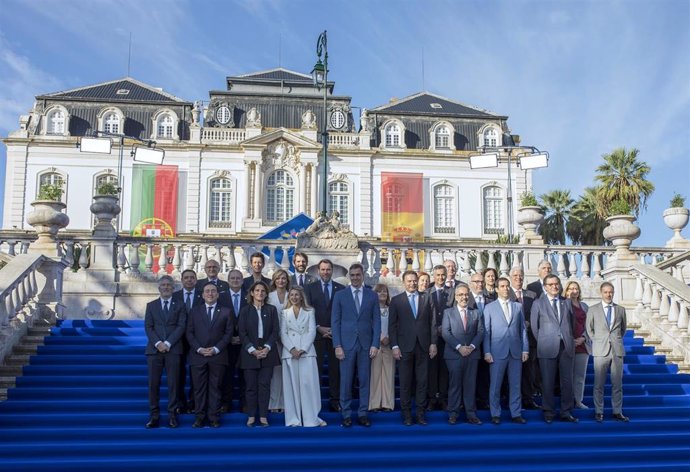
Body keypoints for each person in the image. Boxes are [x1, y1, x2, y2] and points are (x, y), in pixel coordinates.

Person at [331, 263, 381, 427]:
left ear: (363, 275)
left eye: (357, 275)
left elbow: (377, 321)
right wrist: (337, 345)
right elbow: (335, 322)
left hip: (366, 345)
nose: (355, 278)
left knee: (365, 381)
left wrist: (375, 344)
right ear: (349, 277)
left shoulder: (371, 295)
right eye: (352, 275)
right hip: (346, 345)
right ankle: (346, 414)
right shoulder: (340, 295)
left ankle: (363, 413)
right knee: (345, 381)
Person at [389, 270, 437, 426]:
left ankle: (421, 414)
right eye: (409, 281)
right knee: (405, 382)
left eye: (414, 280)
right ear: (404, 282)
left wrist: (433, 343)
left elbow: (433, 323)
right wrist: (394, 346)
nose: (412, 283)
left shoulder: (427, 298)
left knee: (422, 381)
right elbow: (392, 326)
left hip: (423, 346)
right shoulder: (396, 300)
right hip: (404, 347)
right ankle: (407, 415)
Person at [531, 274, 577, 423]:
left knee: (567, 382)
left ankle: (566, 411)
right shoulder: (538, 303)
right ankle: (548, 412)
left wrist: (568, 338)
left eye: (556, 284)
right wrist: (545, 341)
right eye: (550, 284)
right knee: (548, 381)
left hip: (566, 347)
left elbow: (573, 324)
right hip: (547, 347)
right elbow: (534, 327)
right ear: (545, 287)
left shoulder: (567, 303)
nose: (554, 287)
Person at [187, 282, 233, 428]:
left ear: (218, 294)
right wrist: (199, 349)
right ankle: (199, 417)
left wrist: (216, 348)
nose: (210, 294)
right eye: (207, 291)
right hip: (198, 356)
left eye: (213, 291)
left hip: (218, 356)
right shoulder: (194, 311)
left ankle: (214, 417)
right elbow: (189, 332)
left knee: (215, 388)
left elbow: (228, 333)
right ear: (202, 294)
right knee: (198, 388)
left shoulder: (226, 311)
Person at [483, 277, 529, 425]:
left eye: (507, 286)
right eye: (502, 286)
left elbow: (522, 329)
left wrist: (525, 349)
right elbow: (486, 332)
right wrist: (487, 351)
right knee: (495, 384)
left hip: (515, 351)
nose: (505, 288)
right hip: (496, 352)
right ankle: (495, 413)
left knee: (516, 384)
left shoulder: (518, 307)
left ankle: (516, 413)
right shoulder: (489, 308)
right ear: (496, 289)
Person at [279, 287, 326, 427]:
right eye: (291, 295)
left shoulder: (309, 311)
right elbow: (283, 332)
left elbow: (312, 331)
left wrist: (302, 349)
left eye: (296, 295)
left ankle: (311, 418)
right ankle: (294, 419)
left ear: (301, 297)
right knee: (291, 386)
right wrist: (292, 349)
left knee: (308, 385)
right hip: (290, 353)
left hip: (307, 353)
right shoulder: (284, 312)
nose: (294, 297)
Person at [144, 275, 186, 429]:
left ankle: (172, 415)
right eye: (163, 285)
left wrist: (168, 343)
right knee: (153, 384)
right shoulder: (151, 305)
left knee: (173, 383)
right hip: (154, 351)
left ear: (173, 288)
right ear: (159, 288)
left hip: (173, 349)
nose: (166, 287)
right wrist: (158, 343)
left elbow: (181, 326)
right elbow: (148, 327)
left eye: (169, 285)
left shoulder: (180, 305)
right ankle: (154, 416)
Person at [304, 259, 345, 412]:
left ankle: (335, 401)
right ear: (318, 271)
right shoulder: (309, 288)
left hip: (336, 336)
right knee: (316, 370)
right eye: (322, 269)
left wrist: (335, 329)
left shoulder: (341, 288)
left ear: (332, 270)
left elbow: (343, 312)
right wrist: (318, 327)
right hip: (316, 335)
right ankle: (316, 402)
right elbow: (307, 310)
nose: (325, 272)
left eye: (328, 269)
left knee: (335, 371)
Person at [238, 281, 281, 427]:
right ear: (252, 293)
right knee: (250, 386)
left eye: (263, 291)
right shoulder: (245, 310)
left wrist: (267, 348)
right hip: (249, 353)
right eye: (257, 291)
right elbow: (242, 333)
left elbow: (275, 331)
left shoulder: (271, 309)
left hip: (268, 352)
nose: (260, 293)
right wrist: (253, 350)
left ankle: (263, 416)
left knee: (264, 385)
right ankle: (251, 416)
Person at [586, 281, 629, 423]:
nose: (608, 294)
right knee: (599, 384)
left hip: (617, 350)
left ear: (613, 292)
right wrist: (597, 341)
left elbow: (623, 329)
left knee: (617, 383)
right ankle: (599, 411)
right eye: (606, 292)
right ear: (601, 293)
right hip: (600, 350)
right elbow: (589, 329)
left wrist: (615, 340)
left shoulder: (621, 310)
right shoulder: (593, 310)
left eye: (610, 292)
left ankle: (617, 411)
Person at [442, 285, 484, 425]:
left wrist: (471, 347)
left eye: (466, 294)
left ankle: (471, 414)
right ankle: (453, 414)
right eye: (460, 295)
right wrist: (459, 347)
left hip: (472, 354)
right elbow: (446, 333)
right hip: (454, 355)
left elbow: (481, 332)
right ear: (455, 297)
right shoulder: (448, 312)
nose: (464, 297)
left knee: (470, 384)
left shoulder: (476, 313)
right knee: (455, 384)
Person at [172, 269, 203, 413]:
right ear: (182, 280)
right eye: (186, 278)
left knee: (196, 374)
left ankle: (194, 403)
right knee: (179, 373)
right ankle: (180, 403)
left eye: (192, 278)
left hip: (198, 340)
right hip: (178, 341)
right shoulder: (174, 296)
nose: (189, 280)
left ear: (196, 280)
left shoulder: (202, 295)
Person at [508, 266, 540, 410]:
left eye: (520, 275)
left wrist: (530, 323)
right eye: (515, 276)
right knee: (511, 371)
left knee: (529, 371)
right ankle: (511, 399)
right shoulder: (505, 293)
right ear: (510, 278)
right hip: (510, 339)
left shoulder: (532, 295)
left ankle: (528, 398)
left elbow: (538, 314)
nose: (518, 278)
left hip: (530, 339)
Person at [217, 269, 246, 413]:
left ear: (242, 280)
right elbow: (217, 322)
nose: (235, 280)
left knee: (244, 375)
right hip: (226, 344)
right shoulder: (220, 297)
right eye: (232, 278)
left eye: (238, 278)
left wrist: (243, 337)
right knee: (226, 375)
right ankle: (225, 403)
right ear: (228, 280)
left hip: (245, 343)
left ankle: (244, 404)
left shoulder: (250, 296)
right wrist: (229, 338)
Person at [427, 264, 451, 411]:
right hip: (430, 339)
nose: (441, 277)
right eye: (438, 275)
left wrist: (446, 328)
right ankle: (431, 399)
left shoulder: (453, 292)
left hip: (447, 338)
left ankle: (442, 398)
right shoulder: (427, 292)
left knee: (444, 370)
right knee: (431, 370)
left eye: (443, 275)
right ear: (433, 276)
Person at [267, 269, 291, 413]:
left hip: (290, 339)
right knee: (275, 373)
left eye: (283, 278)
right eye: (278, 278)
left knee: (287, 373)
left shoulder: (292, 296)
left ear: (287, 281)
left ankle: (286, 403)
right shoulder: (269, 297)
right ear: (274, 281)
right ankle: (274, 403)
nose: (281, 281)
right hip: (273, 339)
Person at [564, 281, 590, 409]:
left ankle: (578, 401)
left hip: (582, 345)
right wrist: (570, 339)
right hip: (567, 344)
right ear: (566, 290)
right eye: (571, 288)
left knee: (580, 376)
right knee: (567, 376)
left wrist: (583, 338)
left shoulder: (584, 306)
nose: (574, 291)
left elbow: (590, 326)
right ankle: (568, 402)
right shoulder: (562, 304)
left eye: (576, 288)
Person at [369, 284, 394, 412]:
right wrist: (379, 337)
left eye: (385, 291)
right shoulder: (371, 310)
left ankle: (387, 403)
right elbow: (369, 326)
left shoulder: (392, 309)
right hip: (375, 345)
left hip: (389, 344)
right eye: (379, 291)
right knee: (375, 374)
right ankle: (374, 404)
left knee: (388, 374)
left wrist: (388, 337)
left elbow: (395, 325)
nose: (382, 293)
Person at [468, 272, 491, 410]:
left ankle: (483, 400)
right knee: (471, 375)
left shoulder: (490, 299)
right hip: (470, 343)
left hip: (487, 343)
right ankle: (471, 401)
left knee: (485, 374)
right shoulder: (465, 298)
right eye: (476, 281)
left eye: (481, 281)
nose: (479, 284)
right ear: (471, 283)